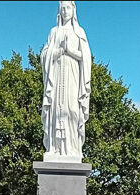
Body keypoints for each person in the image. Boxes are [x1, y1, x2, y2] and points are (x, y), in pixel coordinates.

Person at [41, 1, 91, 160]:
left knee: (71, 111)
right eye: (62, 8)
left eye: (68, 7)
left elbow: (86, 58)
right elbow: (45, 55)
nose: (65, 11)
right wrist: (59, 50)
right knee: (56, 111)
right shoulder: (54, 32)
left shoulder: (79, 32)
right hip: (56, 78)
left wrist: (70, 50)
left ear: (73, 10)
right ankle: (54, 148)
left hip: (73, 77)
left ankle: (72, 149)